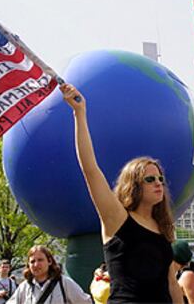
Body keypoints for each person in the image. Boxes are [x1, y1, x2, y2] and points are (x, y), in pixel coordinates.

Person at [61, 84, 183, 303]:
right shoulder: (116, 218)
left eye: (160, 179)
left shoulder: (163, 228)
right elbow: (90, 169)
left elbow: (172, 284)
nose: (158, 184)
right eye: (150, 179)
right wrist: (79, 113)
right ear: (134, 185)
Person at [6, 245, 91, 303]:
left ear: (49, 261)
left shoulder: (64, 283)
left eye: (40, 260)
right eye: (32, 261)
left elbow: (86, 302)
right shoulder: (24, 287)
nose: (36, 264)